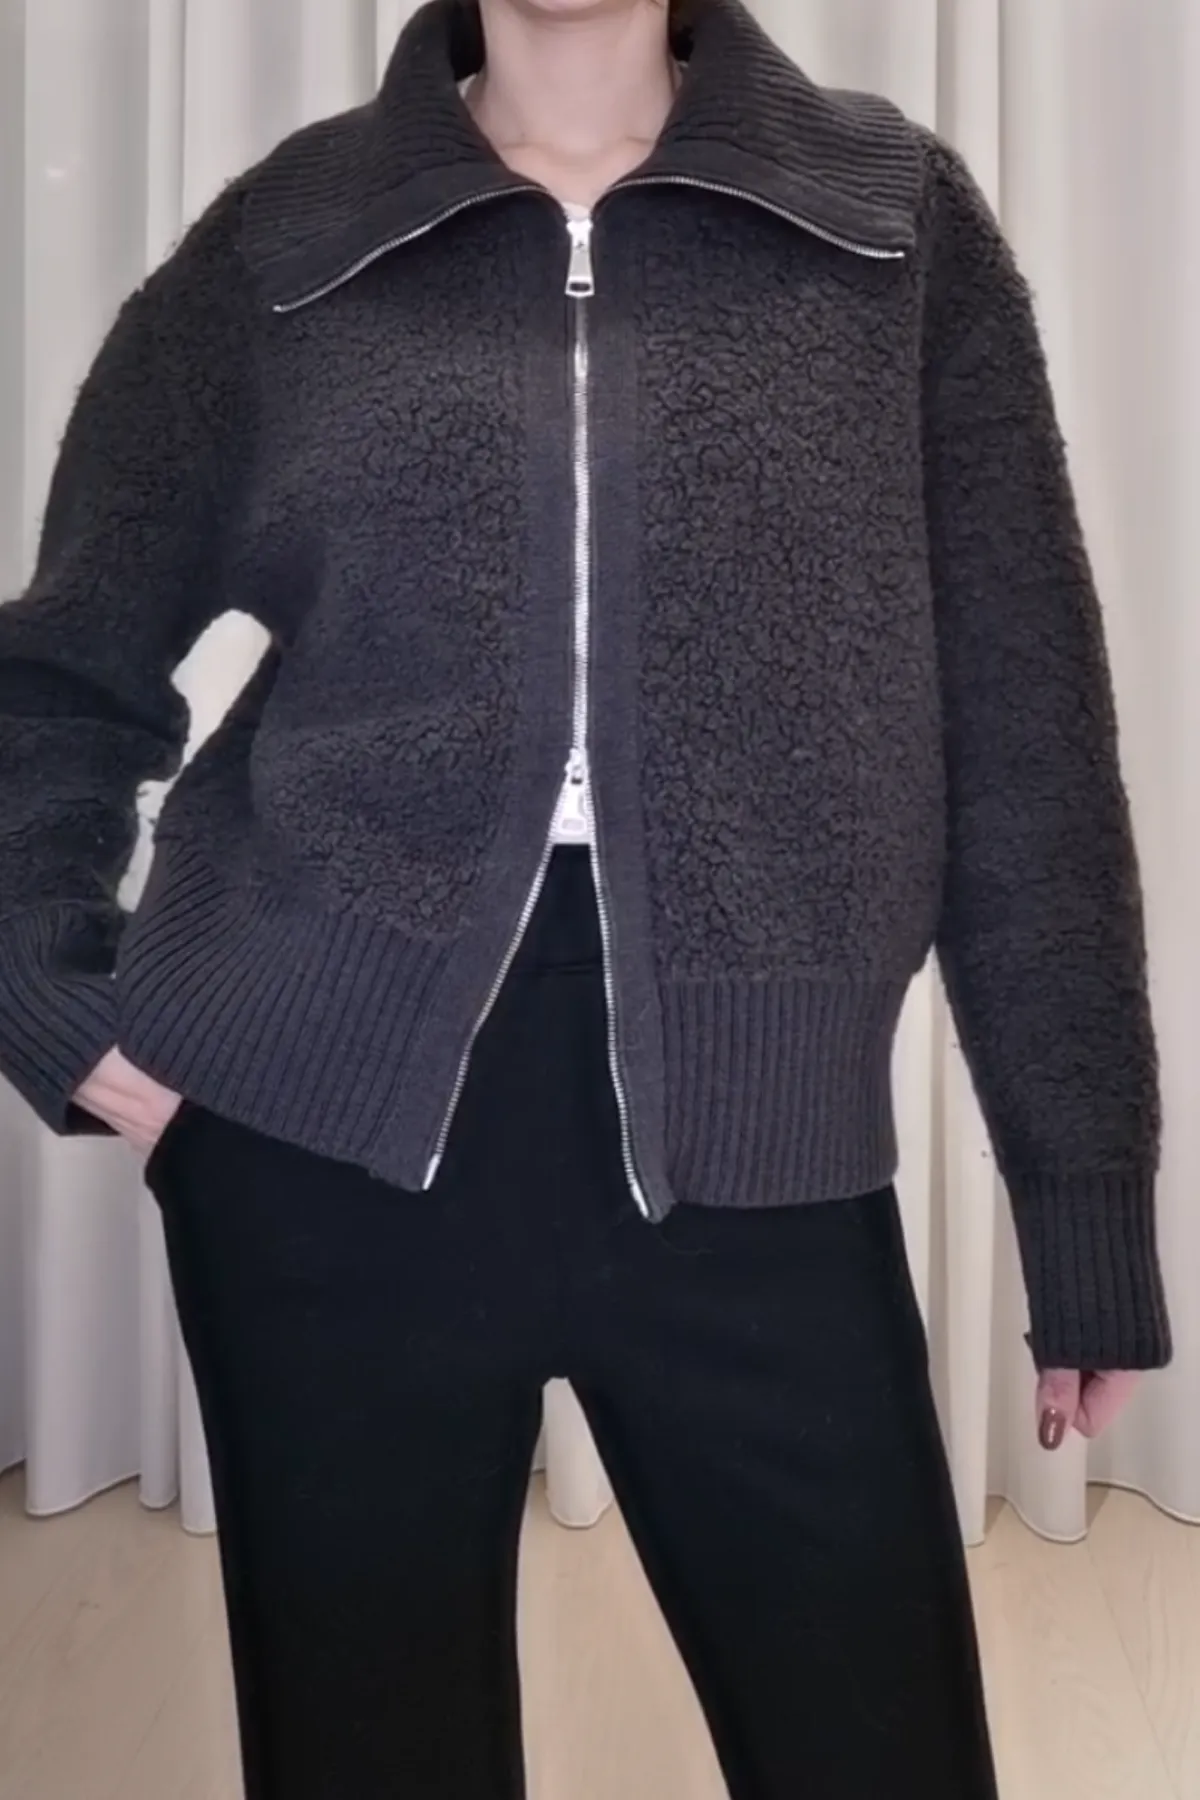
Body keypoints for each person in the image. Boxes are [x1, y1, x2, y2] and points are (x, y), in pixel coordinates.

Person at [0, 0, 1172, 1794]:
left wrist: (1080, 1190)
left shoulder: (885, 220)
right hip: (322, 1154)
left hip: (759, 1155)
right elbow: (60, 673)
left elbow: (1029, 732)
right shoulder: (294, 235)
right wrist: (54, 996)